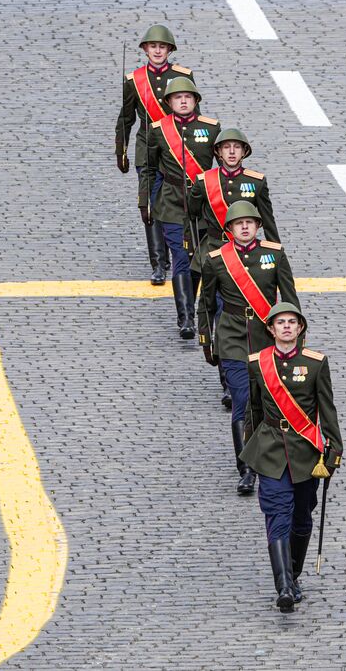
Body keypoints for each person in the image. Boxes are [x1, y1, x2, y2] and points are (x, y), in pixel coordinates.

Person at [241, 303, 342, 613]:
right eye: (280, 322)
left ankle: (294, 575)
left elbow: (327, 408)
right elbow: (254, 410)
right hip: (271, 449)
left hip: (305, 452)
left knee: (301, 517)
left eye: (291, 322)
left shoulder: (315, 363)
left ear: (300, 329)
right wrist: (250, 451)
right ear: (270, 329)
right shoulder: (258, 363)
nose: (286, 327)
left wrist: (334, 449)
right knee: (277, 515)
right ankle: (283, 585)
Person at [198, 201, 300, 495]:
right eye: (238, 223)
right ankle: (246, 469)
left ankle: (271, 458)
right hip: (232, 338)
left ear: (258, 227)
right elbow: (206, 304)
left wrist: (296, 342)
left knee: (269, 403)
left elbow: (291, 300)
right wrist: (207, 339)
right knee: (242, 401)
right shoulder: (217, 260)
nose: (244, 227)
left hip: (268, 339)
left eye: (250, 222)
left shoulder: (275, 255)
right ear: (229, 230)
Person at [188, 127, 279, 411]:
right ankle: (228, 380)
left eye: (236, 147)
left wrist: (275, 252)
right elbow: (192, 215)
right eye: (225, 147)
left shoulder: (256, 182)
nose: (231, 152)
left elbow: (268, 219)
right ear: (217, 152)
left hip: (253, 260)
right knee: (221, 316)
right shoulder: (206, 182)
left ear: (244, 152)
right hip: (220, 257)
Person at [115, 23, 194, 285]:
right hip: (147, 148)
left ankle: (181, 253)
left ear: (169, 49)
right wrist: (122, 150)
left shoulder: (183, 76)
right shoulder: (134, 80)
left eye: (162, 46)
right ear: (145, 49)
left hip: (174, 148)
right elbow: (126, 118)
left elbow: (193, 113)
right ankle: (159, 263)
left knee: (175, 204)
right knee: (149, 205)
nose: (157, 51)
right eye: (153, 46)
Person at [139, 76, 218, 338]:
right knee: (181, 259)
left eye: (188, 97)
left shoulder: (212, 129)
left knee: (201, 261)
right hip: (171, 203)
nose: (183, 101)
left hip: (204, 204)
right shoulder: (158, 130)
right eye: (177, 97)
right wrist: (146, 202)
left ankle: (197, 311)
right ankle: (185, 318)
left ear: (195, 101)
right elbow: (150, 170)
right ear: (169, 102)